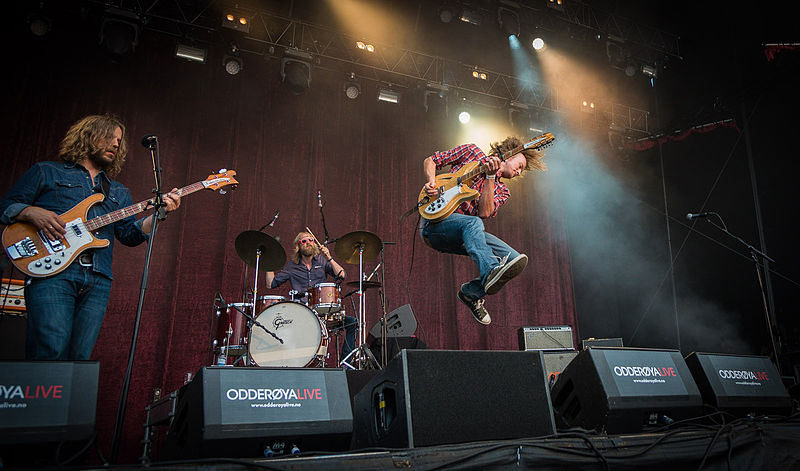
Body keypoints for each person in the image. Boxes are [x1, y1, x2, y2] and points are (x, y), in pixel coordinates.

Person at [0, 114, 181, 360]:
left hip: (98, 279)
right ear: (88, 137)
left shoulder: (118, 191)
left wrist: (159, 214)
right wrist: (31, 212)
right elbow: (6, 206)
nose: (116, 145)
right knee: (49, 351)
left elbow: (128, 234)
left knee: (80, 361)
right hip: (54, 273)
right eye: (110, 138)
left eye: (119, 141)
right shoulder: (47, 172)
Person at [420, 136, 547, 325]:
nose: (519, 172)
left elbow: (484, 212)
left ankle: (471, 293)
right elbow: (431, 160)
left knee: (514, 260)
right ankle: (490, 270)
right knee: (473, 224)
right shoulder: (471, 152)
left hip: (463, 232)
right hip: (435, 225)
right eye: (519, 165)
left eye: (521, 170)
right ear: (507, 154)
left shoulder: (502, 191)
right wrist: (431, 182)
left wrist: (490, 177)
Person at [265, 231, 358, 362]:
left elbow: (342, 275)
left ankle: (344, 363)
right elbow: (271, 284)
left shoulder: (322, 261)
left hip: (324, 314)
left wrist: (329, 257)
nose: (308, 243)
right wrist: (268, 262)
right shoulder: (292, 266)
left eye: (311, 240)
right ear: (298, 246)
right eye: (304, 241)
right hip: (302, 313)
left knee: (352, 323)